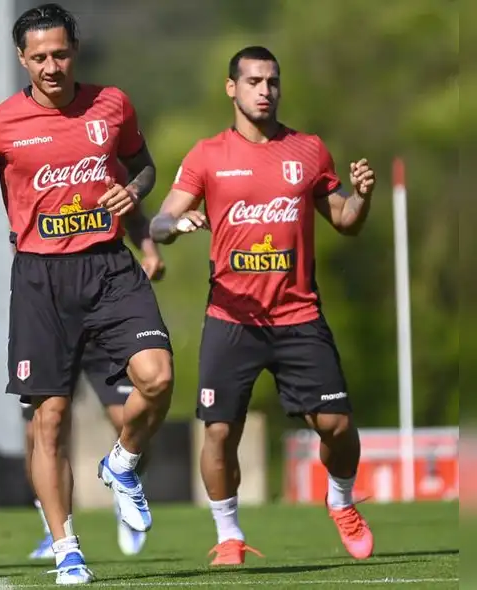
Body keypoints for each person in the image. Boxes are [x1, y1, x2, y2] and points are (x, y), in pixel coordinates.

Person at [0, 4, 174, 584]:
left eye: (60, 54)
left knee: (157, 379)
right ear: (21, 59)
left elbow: (145, 166)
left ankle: (122, 462)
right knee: (49, 420)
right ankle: (66, 549)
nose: (51, 66)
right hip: (41, 280)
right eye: (39, 57)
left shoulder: (112, 105)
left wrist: (131, 192)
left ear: (74, 49)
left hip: (111, 267)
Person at [149, 45, 376, 566]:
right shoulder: (207, 155)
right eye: (253, 82)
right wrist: (175, 227)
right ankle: (228, 534)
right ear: (232, 88)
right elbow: (160, 220)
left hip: (299, 315)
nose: (264, 91)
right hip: (232, 319)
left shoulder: (310, 150)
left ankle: (341, 503)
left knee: (337, 428)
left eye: (272, 82)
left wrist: (362, 197)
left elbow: (345, 220)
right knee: (220, 431)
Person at [19, 213, 165, 560]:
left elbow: (130, 207)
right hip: (50, 315)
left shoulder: (93, 165)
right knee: (44, 429)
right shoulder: (21, 174)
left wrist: (148, 248)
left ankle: (124, 478)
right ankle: (53, 529)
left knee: (127, 418)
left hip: (102, 316)